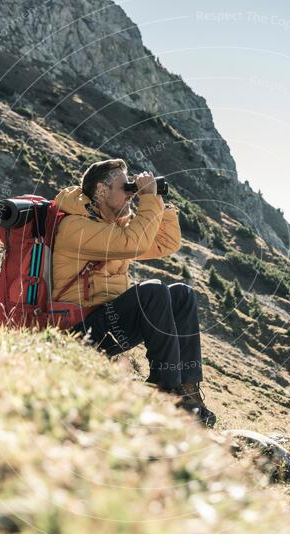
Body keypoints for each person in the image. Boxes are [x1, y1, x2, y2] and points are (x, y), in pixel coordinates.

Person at [51, 159, 216, 427]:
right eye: (125, 187)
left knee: (181, 294)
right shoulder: (76, 228)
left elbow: (164, 243)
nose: (131, 193)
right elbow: (134, 242)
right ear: (102, 191)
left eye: (132, 187)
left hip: (106, 323)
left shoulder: (111, 227)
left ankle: (188, 393)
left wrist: (159, 201)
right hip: (79, 332)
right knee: (152, 291)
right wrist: (148, 199)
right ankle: (166, 389)